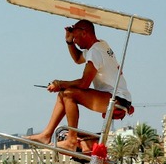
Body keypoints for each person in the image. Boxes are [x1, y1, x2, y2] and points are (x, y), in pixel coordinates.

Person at [27, 19, 132, 151]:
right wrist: (69, 41)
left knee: (68, 94)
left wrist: (60, 83)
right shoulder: (100, 45)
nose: (75, 41)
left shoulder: (95, 52)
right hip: (114, 97)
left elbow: (84, 83)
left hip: (117, 100)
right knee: (62, 94)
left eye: (75, 37)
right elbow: (77, 59)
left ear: (84, 33)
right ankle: (46, 135)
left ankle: (71, 140)